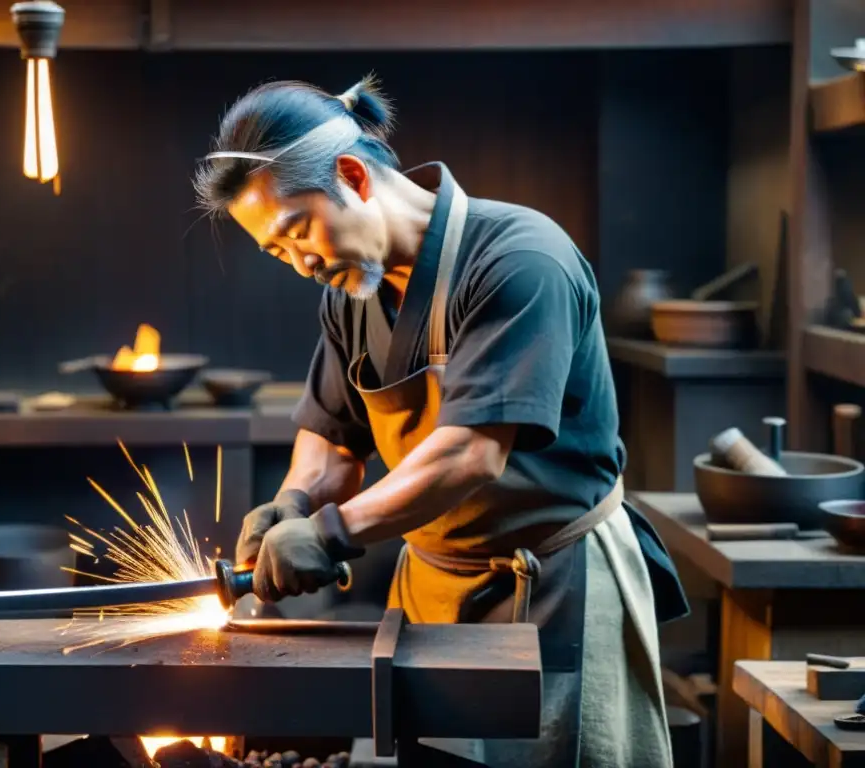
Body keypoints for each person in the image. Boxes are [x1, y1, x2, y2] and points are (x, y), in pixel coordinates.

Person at [193, 75, 689, 767]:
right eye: (279, 253)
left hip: (552, 581)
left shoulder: (519, 259)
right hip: (430, 581)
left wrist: (331, 532)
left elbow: (471, 453)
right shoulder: (350, 295)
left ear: (353, 176)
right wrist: (294, 501)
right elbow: (333, 439)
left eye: (297, 230)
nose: (302, 263)